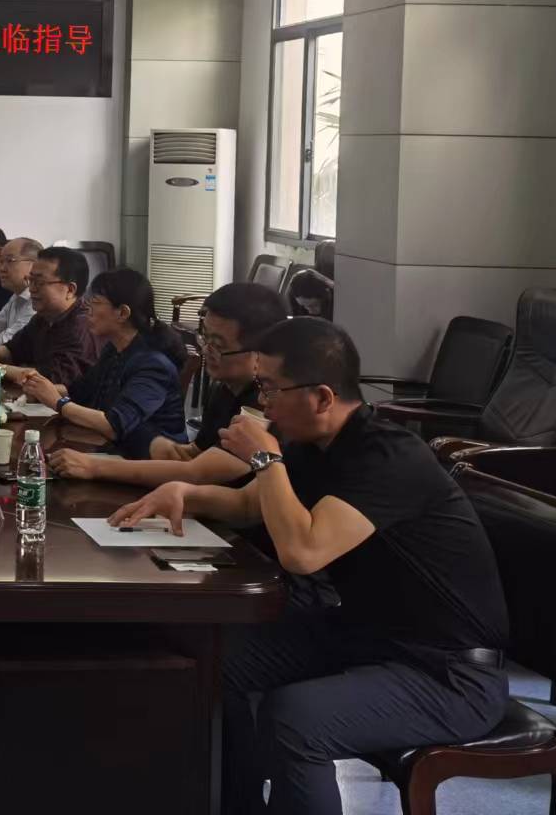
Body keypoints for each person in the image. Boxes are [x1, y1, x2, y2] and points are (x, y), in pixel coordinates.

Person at [110, 319, 509, 815]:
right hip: (365, 637)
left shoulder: (388, 456)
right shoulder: (310, 443)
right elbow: (251, 507)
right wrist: (186, 493)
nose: (263, 404)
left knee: (296, 719)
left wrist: (265, 458)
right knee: (213, 661)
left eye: (271, 389)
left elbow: (304, 551)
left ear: (322, 397)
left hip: (447, 672)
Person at [48, 281, 286, 485]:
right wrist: (140, 436)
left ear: (261, 351)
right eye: (205, 338)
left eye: (219, 345)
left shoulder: (264, 402)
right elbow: (192, 454)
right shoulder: (225, 387)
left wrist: (93, 466)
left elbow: (199, 473)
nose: (207, 351)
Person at [14, 268, 187, 459]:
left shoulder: (153, 364)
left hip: (149, 461)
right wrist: (41, 389)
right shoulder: (114, 349)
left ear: (122, 313)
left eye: (95, 303)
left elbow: (115, 425)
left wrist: (57, 402)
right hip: (112, 449)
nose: (87, 310)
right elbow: (81, 391)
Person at [0, 246, 99, 386]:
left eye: (40, 282)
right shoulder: (44, 316)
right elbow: (13, 349)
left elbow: (54, 380)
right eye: (31, 280)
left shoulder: (83, 326)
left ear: (70, 290)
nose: (31, 289)